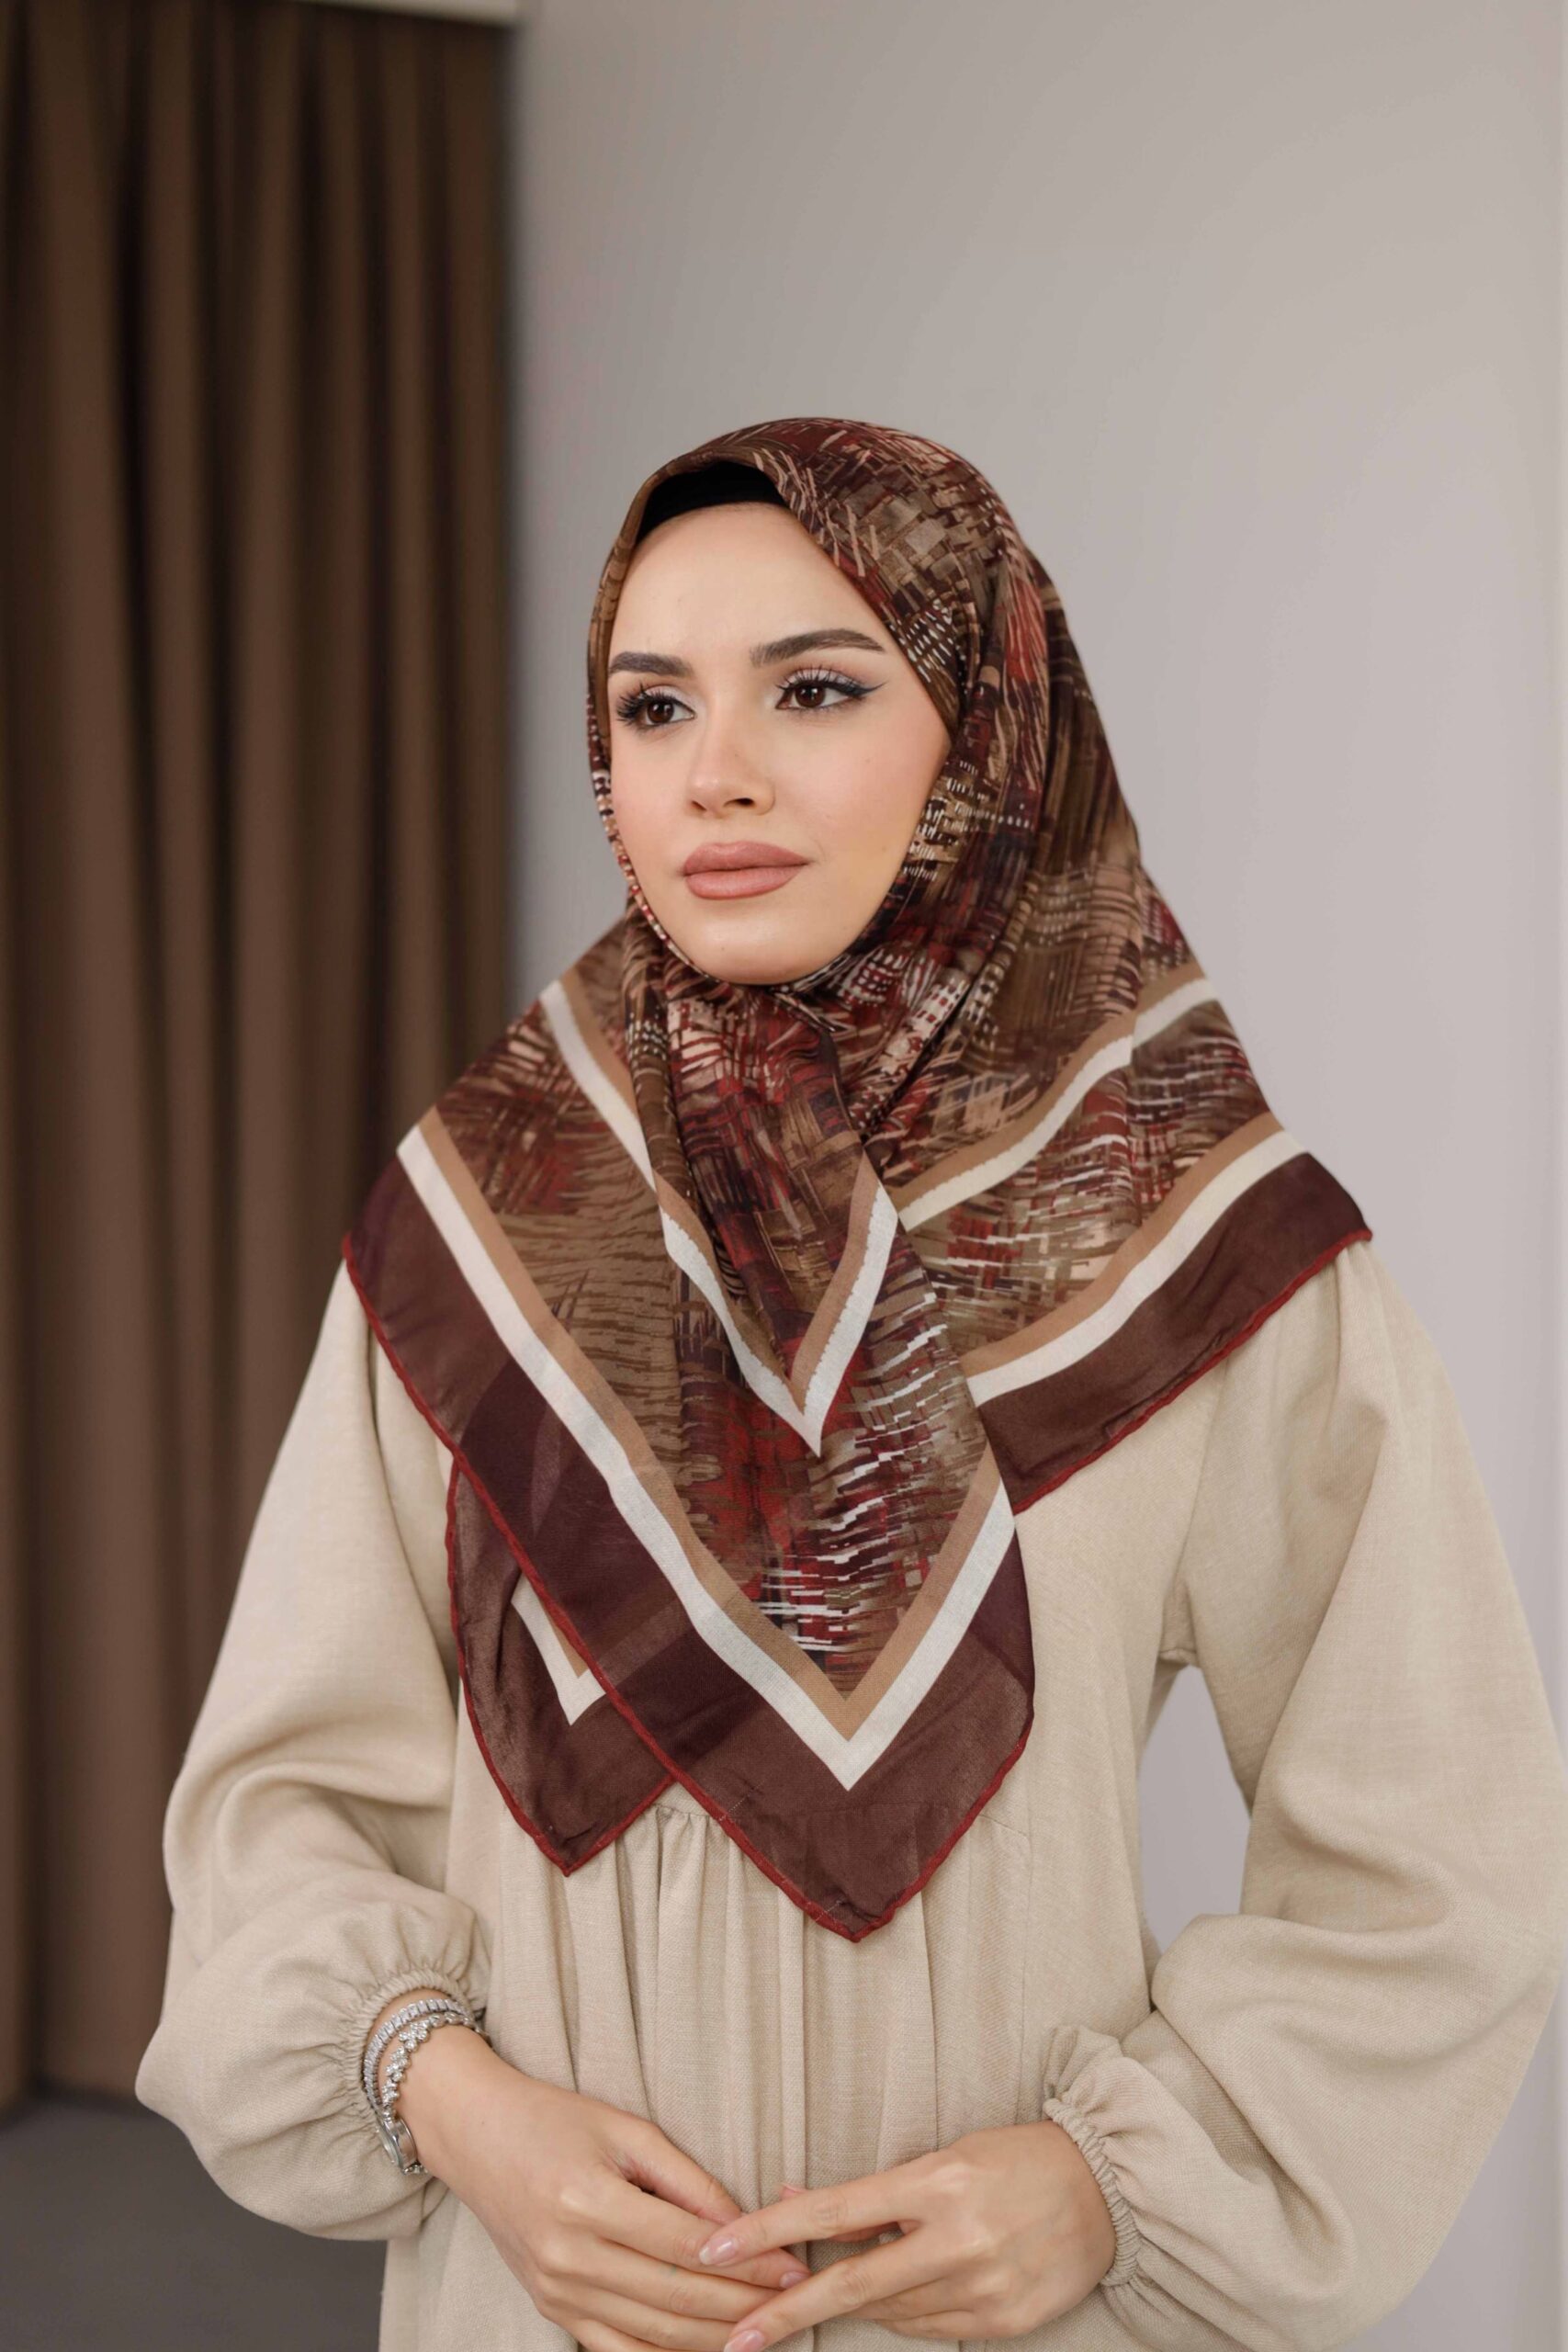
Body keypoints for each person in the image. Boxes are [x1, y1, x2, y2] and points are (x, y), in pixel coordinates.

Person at [136, 416, 1568, 2352]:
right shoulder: (490, 1216)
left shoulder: (1193, 1235)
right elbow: (279, 1802)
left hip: (1009, 2318)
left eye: (812, 689)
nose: (712, 771)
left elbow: (1440, 1845)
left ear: (987, 723)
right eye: (652, 706)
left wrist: (1108, 2188)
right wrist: (457, 2110)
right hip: (549, 2310)